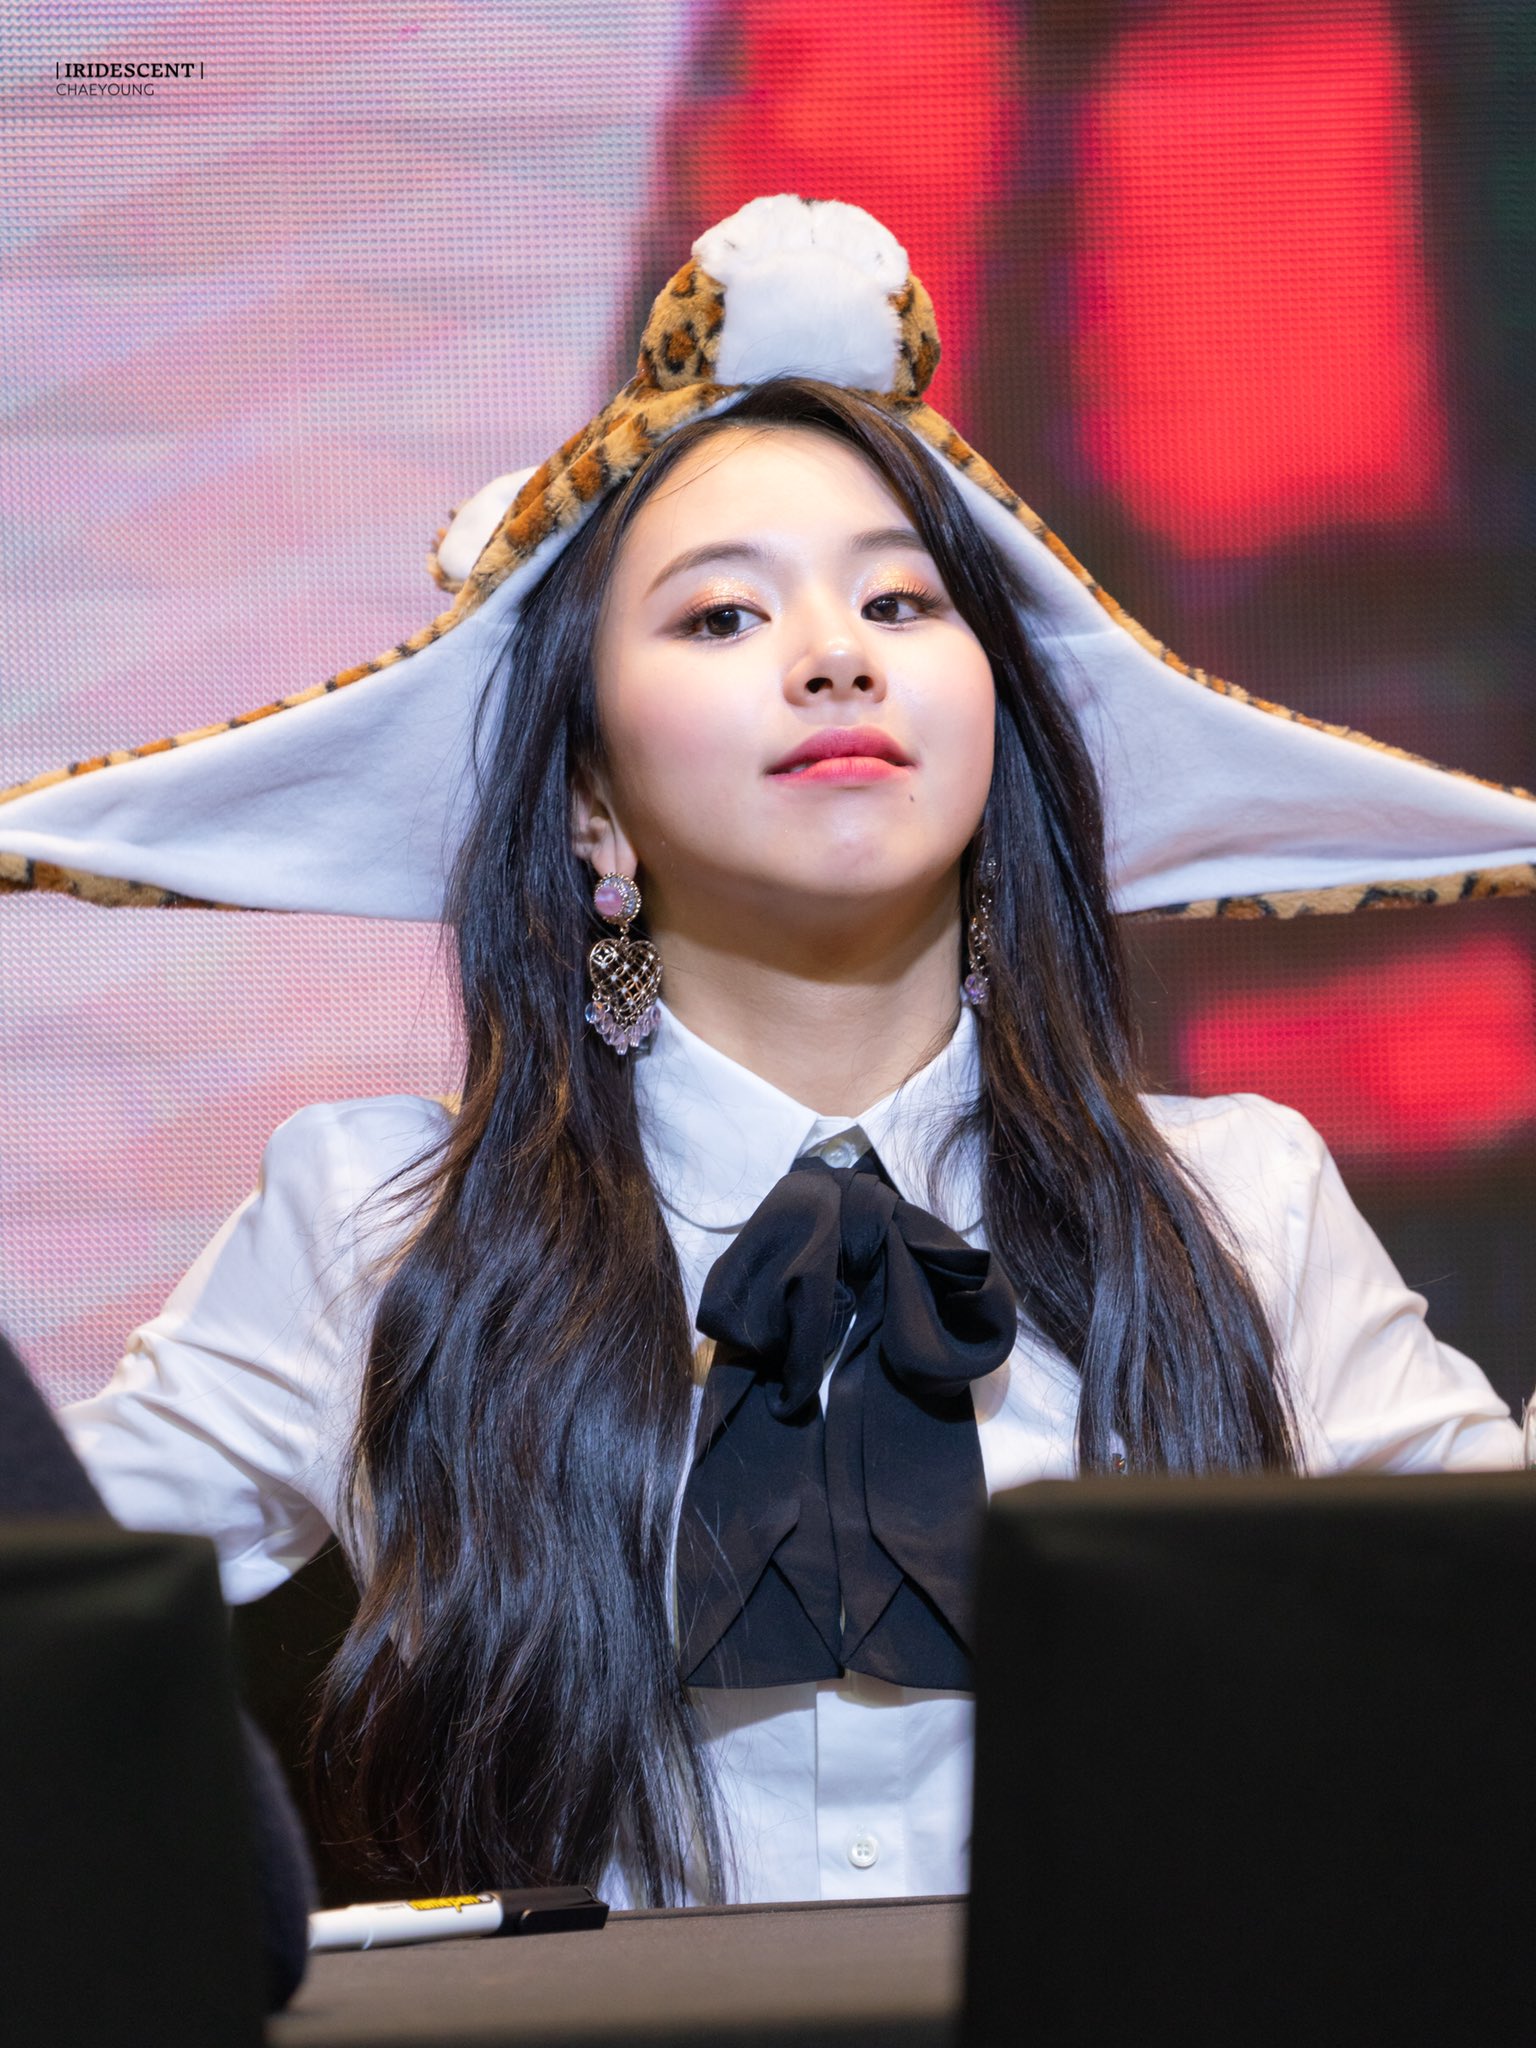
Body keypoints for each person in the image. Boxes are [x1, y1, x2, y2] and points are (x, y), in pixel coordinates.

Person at [3, 196, 1534, 1910]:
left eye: (903, 600)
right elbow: (43, 1606)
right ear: (590, 796)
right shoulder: (376, 1219)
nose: (834, 657)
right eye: (723, 616)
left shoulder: (1243, 1200)